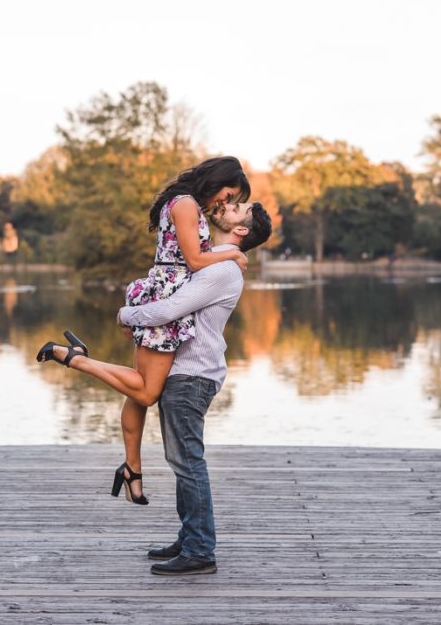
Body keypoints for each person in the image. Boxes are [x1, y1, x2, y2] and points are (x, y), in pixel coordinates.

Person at [38, 199, 272, 576]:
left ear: (241, 230)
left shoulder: (223, 269)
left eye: (236, 208)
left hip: (192, 376)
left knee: (187, 462)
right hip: (186, 373)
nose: (227, 205)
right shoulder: (214, 259)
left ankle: (200, 550)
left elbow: (169, 310)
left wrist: (126, 315)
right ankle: (190, 537)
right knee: (182, 462)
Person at [36, 157, 252, 506]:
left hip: (166, 291)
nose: (224, 203)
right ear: (216, 181)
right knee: (148, 391)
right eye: (228, 195)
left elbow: (193, 257)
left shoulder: (187, 205)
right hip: (167, 297)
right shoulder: (184, 205)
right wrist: (232, 256)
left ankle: (132, 471)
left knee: (138, 389)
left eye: (232, 200)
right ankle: (75, 360)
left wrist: (224, 254)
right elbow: (195, 260)